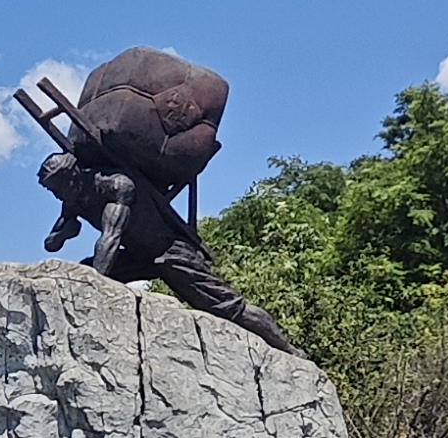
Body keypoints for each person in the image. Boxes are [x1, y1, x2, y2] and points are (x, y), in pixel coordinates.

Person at [35, 47, 302, 356]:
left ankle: (290, 350)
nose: (54, 194)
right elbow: (57, 239)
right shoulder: (75, 194)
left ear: (72, 176)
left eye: (55, 187)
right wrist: (60, 233)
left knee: (230, 307)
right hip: (139, 255)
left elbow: (111, 238)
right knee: (78, 272)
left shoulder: (117, 185)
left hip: (169, 253)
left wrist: (96, 287)